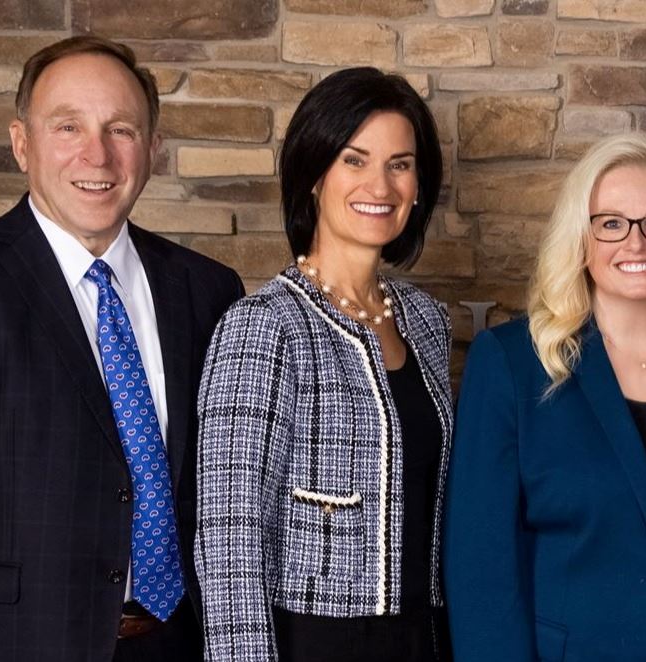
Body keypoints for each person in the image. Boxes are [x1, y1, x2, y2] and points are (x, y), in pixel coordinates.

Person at [0, 36, 243, 661]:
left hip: (182, 644)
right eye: (68, 126)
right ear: (21, 145)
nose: (97, 154)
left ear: (153, 150)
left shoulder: (207, 290)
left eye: (120, 129)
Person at [444, 133, 646, 661]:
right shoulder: (510, 364)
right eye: (611, 223)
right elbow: (481, 567)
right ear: (581, 237)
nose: (636, 243)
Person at [192, 67, 453, 662]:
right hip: (314, 642)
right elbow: (229, 537)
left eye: (400, 163)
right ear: (314, 175)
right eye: (354, 160)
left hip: (424, 636)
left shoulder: (426, 321)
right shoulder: (264, 325)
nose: (379, 185)